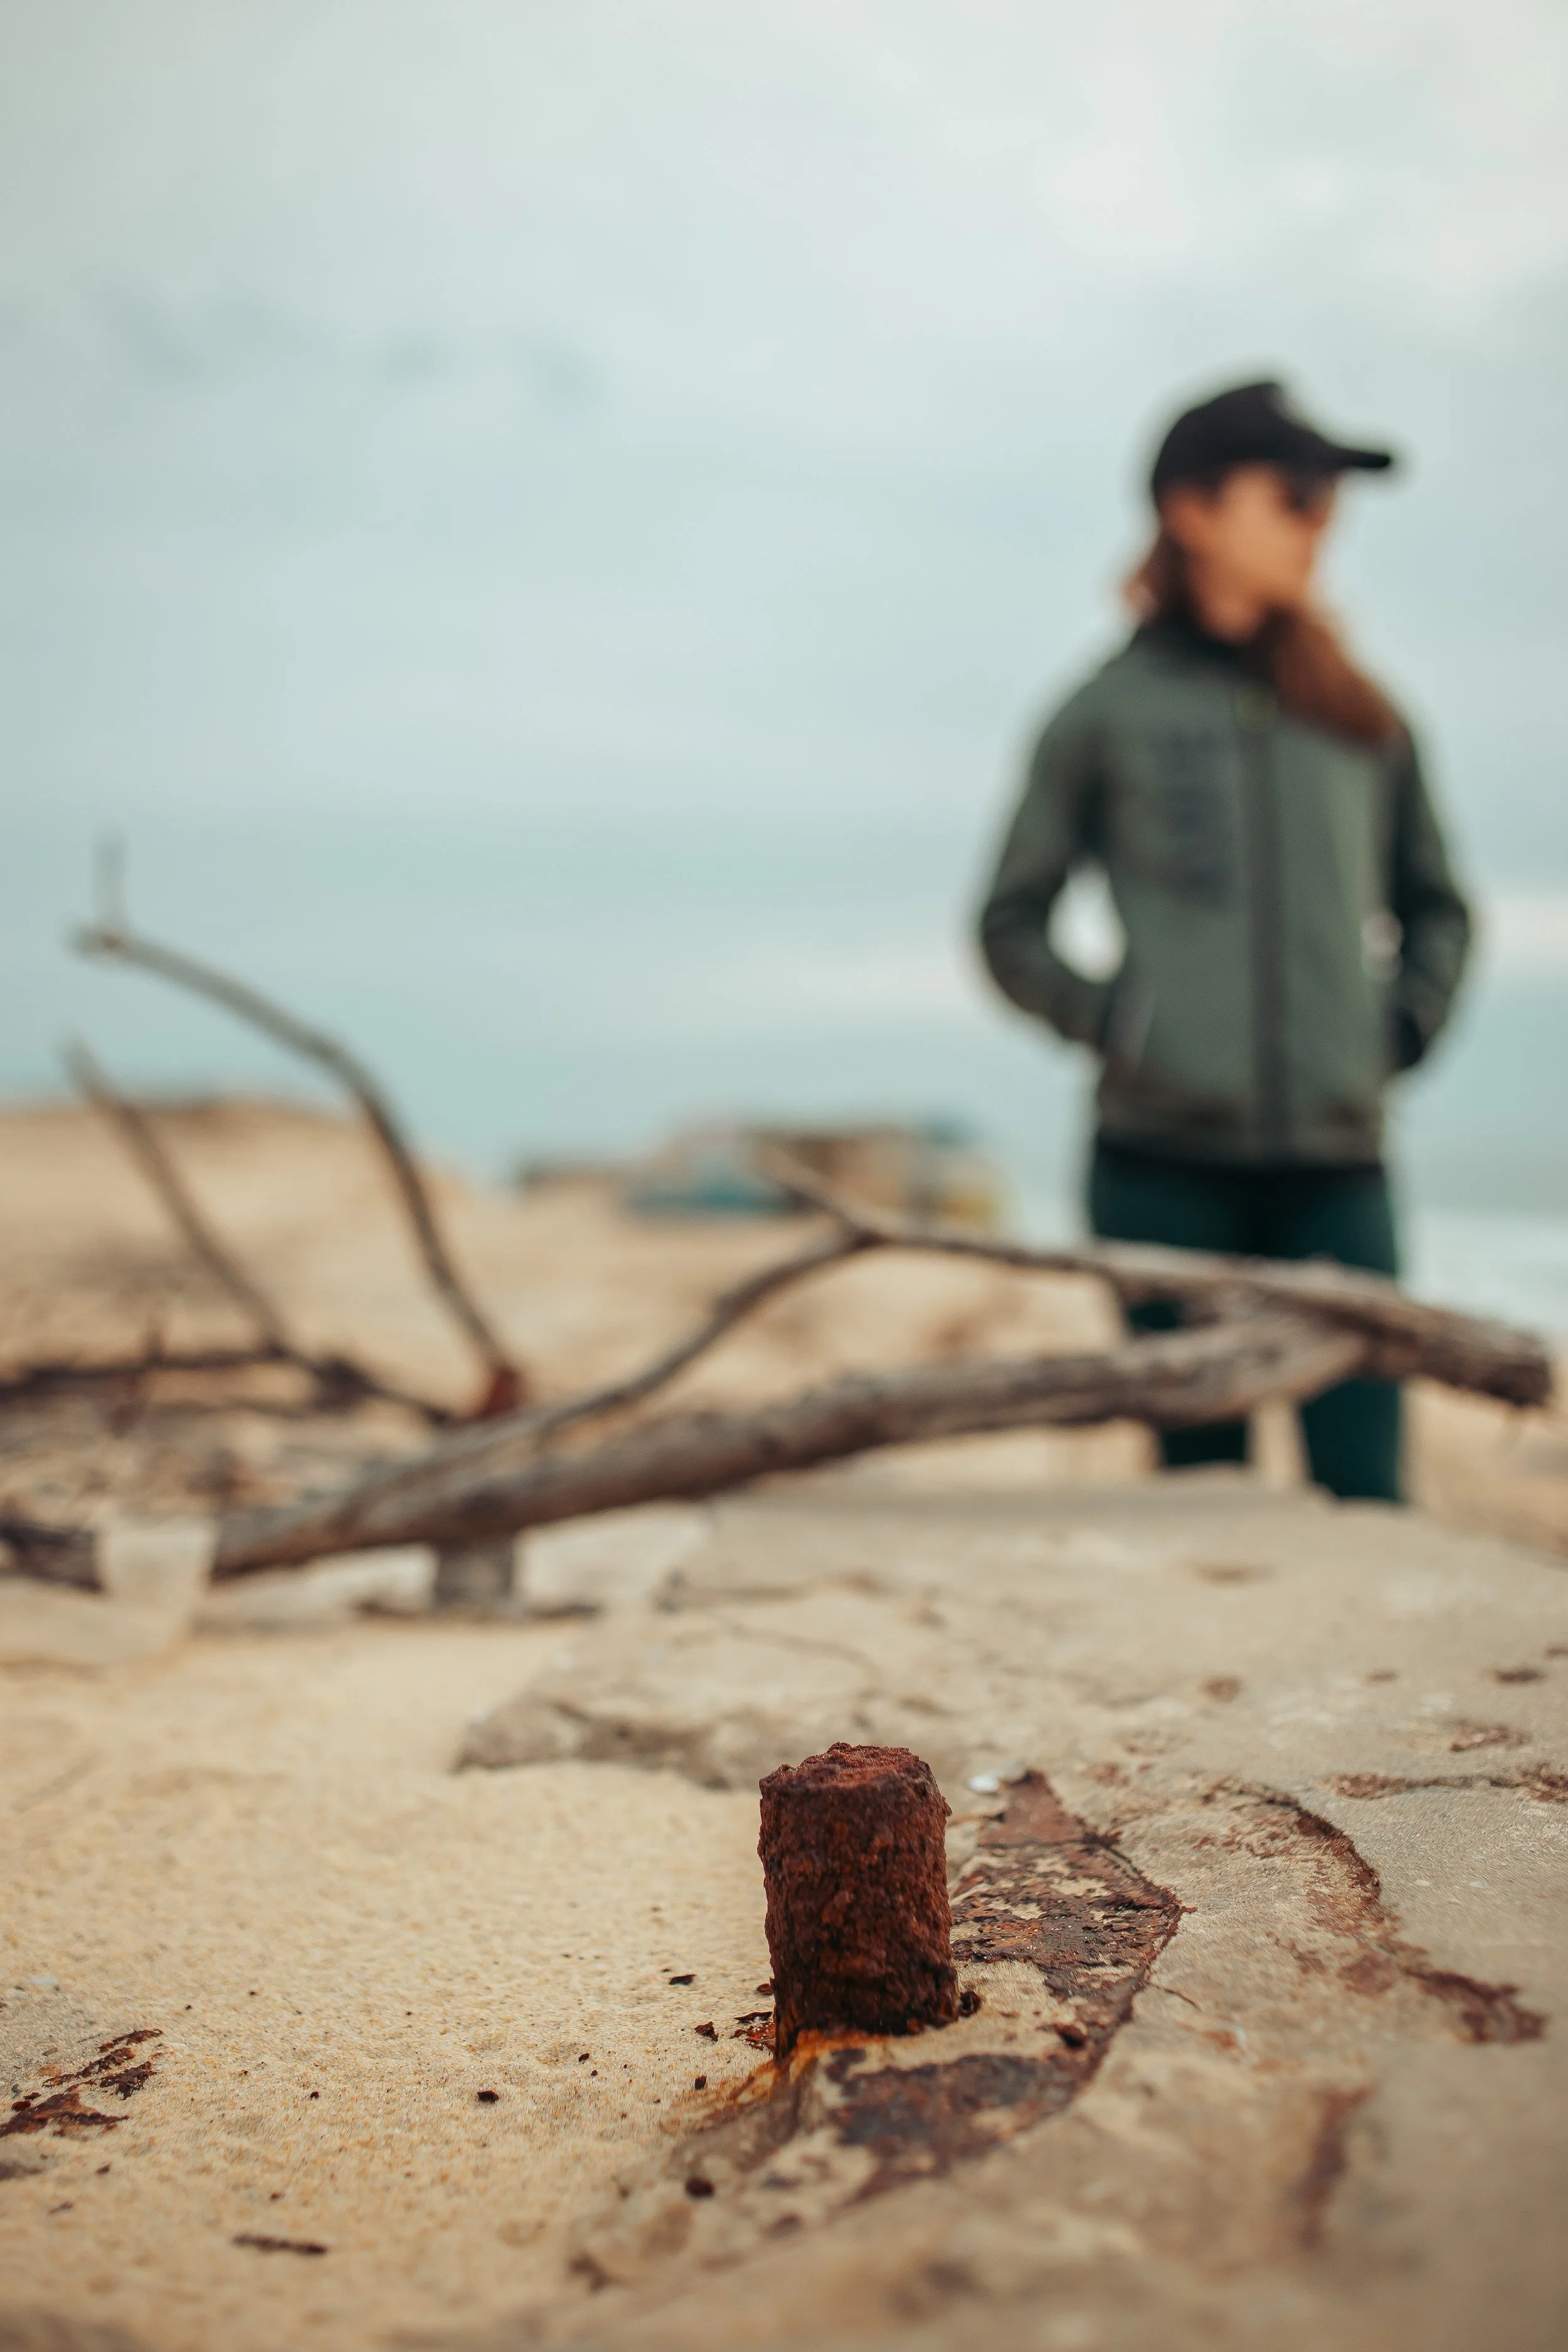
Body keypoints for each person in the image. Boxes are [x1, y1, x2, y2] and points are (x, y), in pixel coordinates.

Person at [978, 378, 1471, 1501]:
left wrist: (1391, 1031)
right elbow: (1010, 921)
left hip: (1339, 1177)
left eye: (1330, 500)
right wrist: (1122, 1024)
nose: (1321, 523)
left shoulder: (1365, 717)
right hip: (1161, 1180)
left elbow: (1440, 905)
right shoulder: (1102, 714)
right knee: (1204, 1507)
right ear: (1191, 510)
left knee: (1367, 1509)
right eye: (1294, 493)